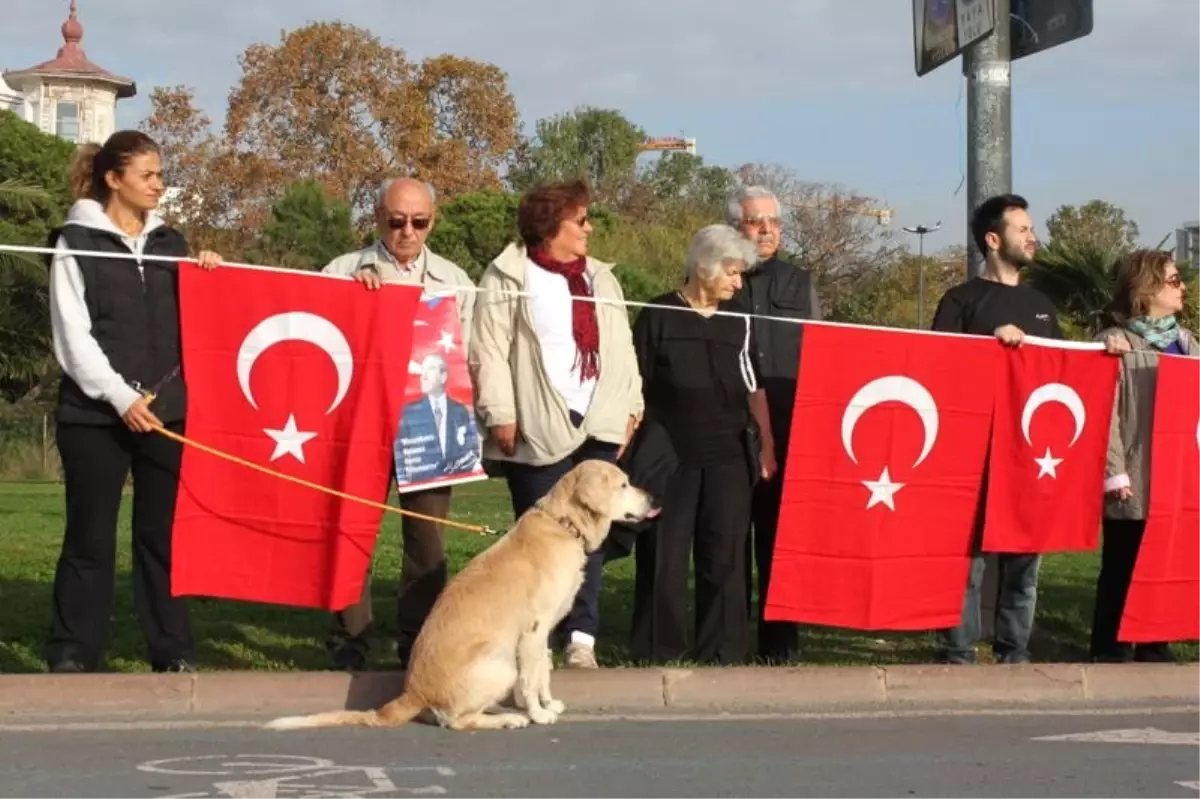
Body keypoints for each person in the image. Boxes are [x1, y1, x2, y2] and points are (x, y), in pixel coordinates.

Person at [43, 130, 222, 674]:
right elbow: (72, 337)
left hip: (167, 415)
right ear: (113, 179)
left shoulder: (174, 244)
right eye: (147, 175)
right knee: (90, 536)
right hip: (95, 416)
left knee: (161, 536)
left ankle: (171, 650)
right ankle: (74, 651)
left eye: (160, 175)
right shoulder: (74, 241)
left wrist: (208, 272)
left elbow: (198, 320)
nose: (158, 185)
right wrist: (121, 398)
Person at [469, 179, 643, 669]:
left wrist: (632, 407)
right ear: (551, 227)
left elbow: (622, 348)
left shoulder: (601, 279)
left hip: (599, 424)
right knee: (540, 542)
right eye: (581, 219)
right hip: (539, 427)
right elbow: (489, 349)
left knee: (592, 536)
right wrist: (500, 412)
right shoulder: (508, 275)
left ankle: (581, 638)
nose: (590, 228)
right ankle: (533, 639)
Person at [321, 177, 476, 670]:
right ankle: (349, 640)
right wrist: (351, 300)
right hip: (360, 422)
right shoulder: (342, 272)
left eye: (419, 221)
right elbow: (320, 344)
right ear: (377, 218)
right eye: (396, 221)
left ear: (433, 220)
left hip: (427, 425)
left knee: (427, 542)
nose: (407, 231)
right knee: (352, 532)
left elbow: (470, 357)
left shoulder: (456, 282)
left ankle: (418, 642)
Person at [628, 224, 777, 665]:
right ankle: (659, 648)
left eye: (740, 275)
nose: (737, 283)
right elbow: (635, 383)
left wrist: (766, 444)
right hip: (670, 453)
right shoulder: (656, 314)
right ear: (703, 267)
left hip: (729, 454)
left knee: (725, 553)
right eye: (731, 272)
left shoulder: (741, 320)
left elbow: (755, 387)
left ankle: (723, 650)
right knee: (664, 555)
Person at [728, 185, 821, 664]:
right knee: (729, 542)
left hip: (787, 430)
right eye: (754, 221)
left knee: (780, 543)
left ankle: (780, 648)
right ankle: (729, 644)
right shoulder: (716, 279)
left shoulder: (800, 282)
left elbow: (821, 355)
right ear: (735, 228)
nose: (765, 230)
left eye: (772, 222)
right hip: (727, 429)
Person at [1091, 250, 1192, 663]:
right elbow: (1105, 413)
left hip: (1177, 477)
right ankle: (1110, 648)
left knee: (1162, 566)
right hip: (1134, 475)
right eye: (1173, 279)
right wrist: (1114, 473)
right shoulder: (1115, 343)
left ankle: (1154, 643)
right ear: (1146, 288)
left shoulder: (1186, 343)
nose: (1182, 286)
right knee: (1122, 564)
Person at [395, 353, 481, 483]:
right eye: (422, 371)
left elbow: (469, 450)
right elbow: (401, 451)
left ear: (443, 376)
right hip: (418, 482)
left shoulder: (460, 411)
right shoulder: (409, 412)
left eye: (429, 370)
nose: (423, 376)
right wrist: (403, 478)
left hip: (447, 482)